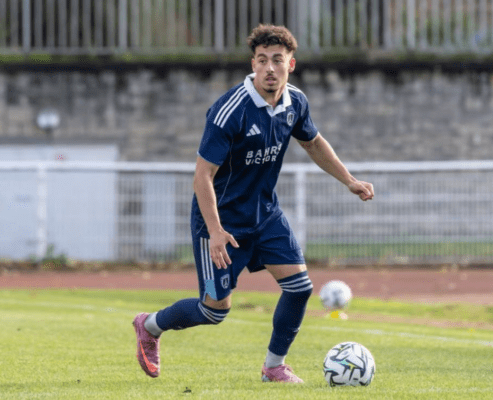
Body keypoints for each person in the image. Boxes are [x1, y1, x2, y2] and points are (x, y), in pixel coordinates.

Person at [133, 24, 374, 384]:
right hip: (221, 222)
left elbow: (313, 142)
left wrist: (350, 180)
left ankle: (273, 367)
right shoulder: (230, 111)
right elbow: (202, 176)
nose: (269, 68)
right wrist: (215, 231)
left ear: (291, 64)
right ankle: (150, 326)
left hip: (264, 215)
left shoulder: (296, 102)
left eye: (277, 60)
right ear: (253, 64)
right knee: (214, 311)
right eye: (262, 60)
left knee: (300, 288)